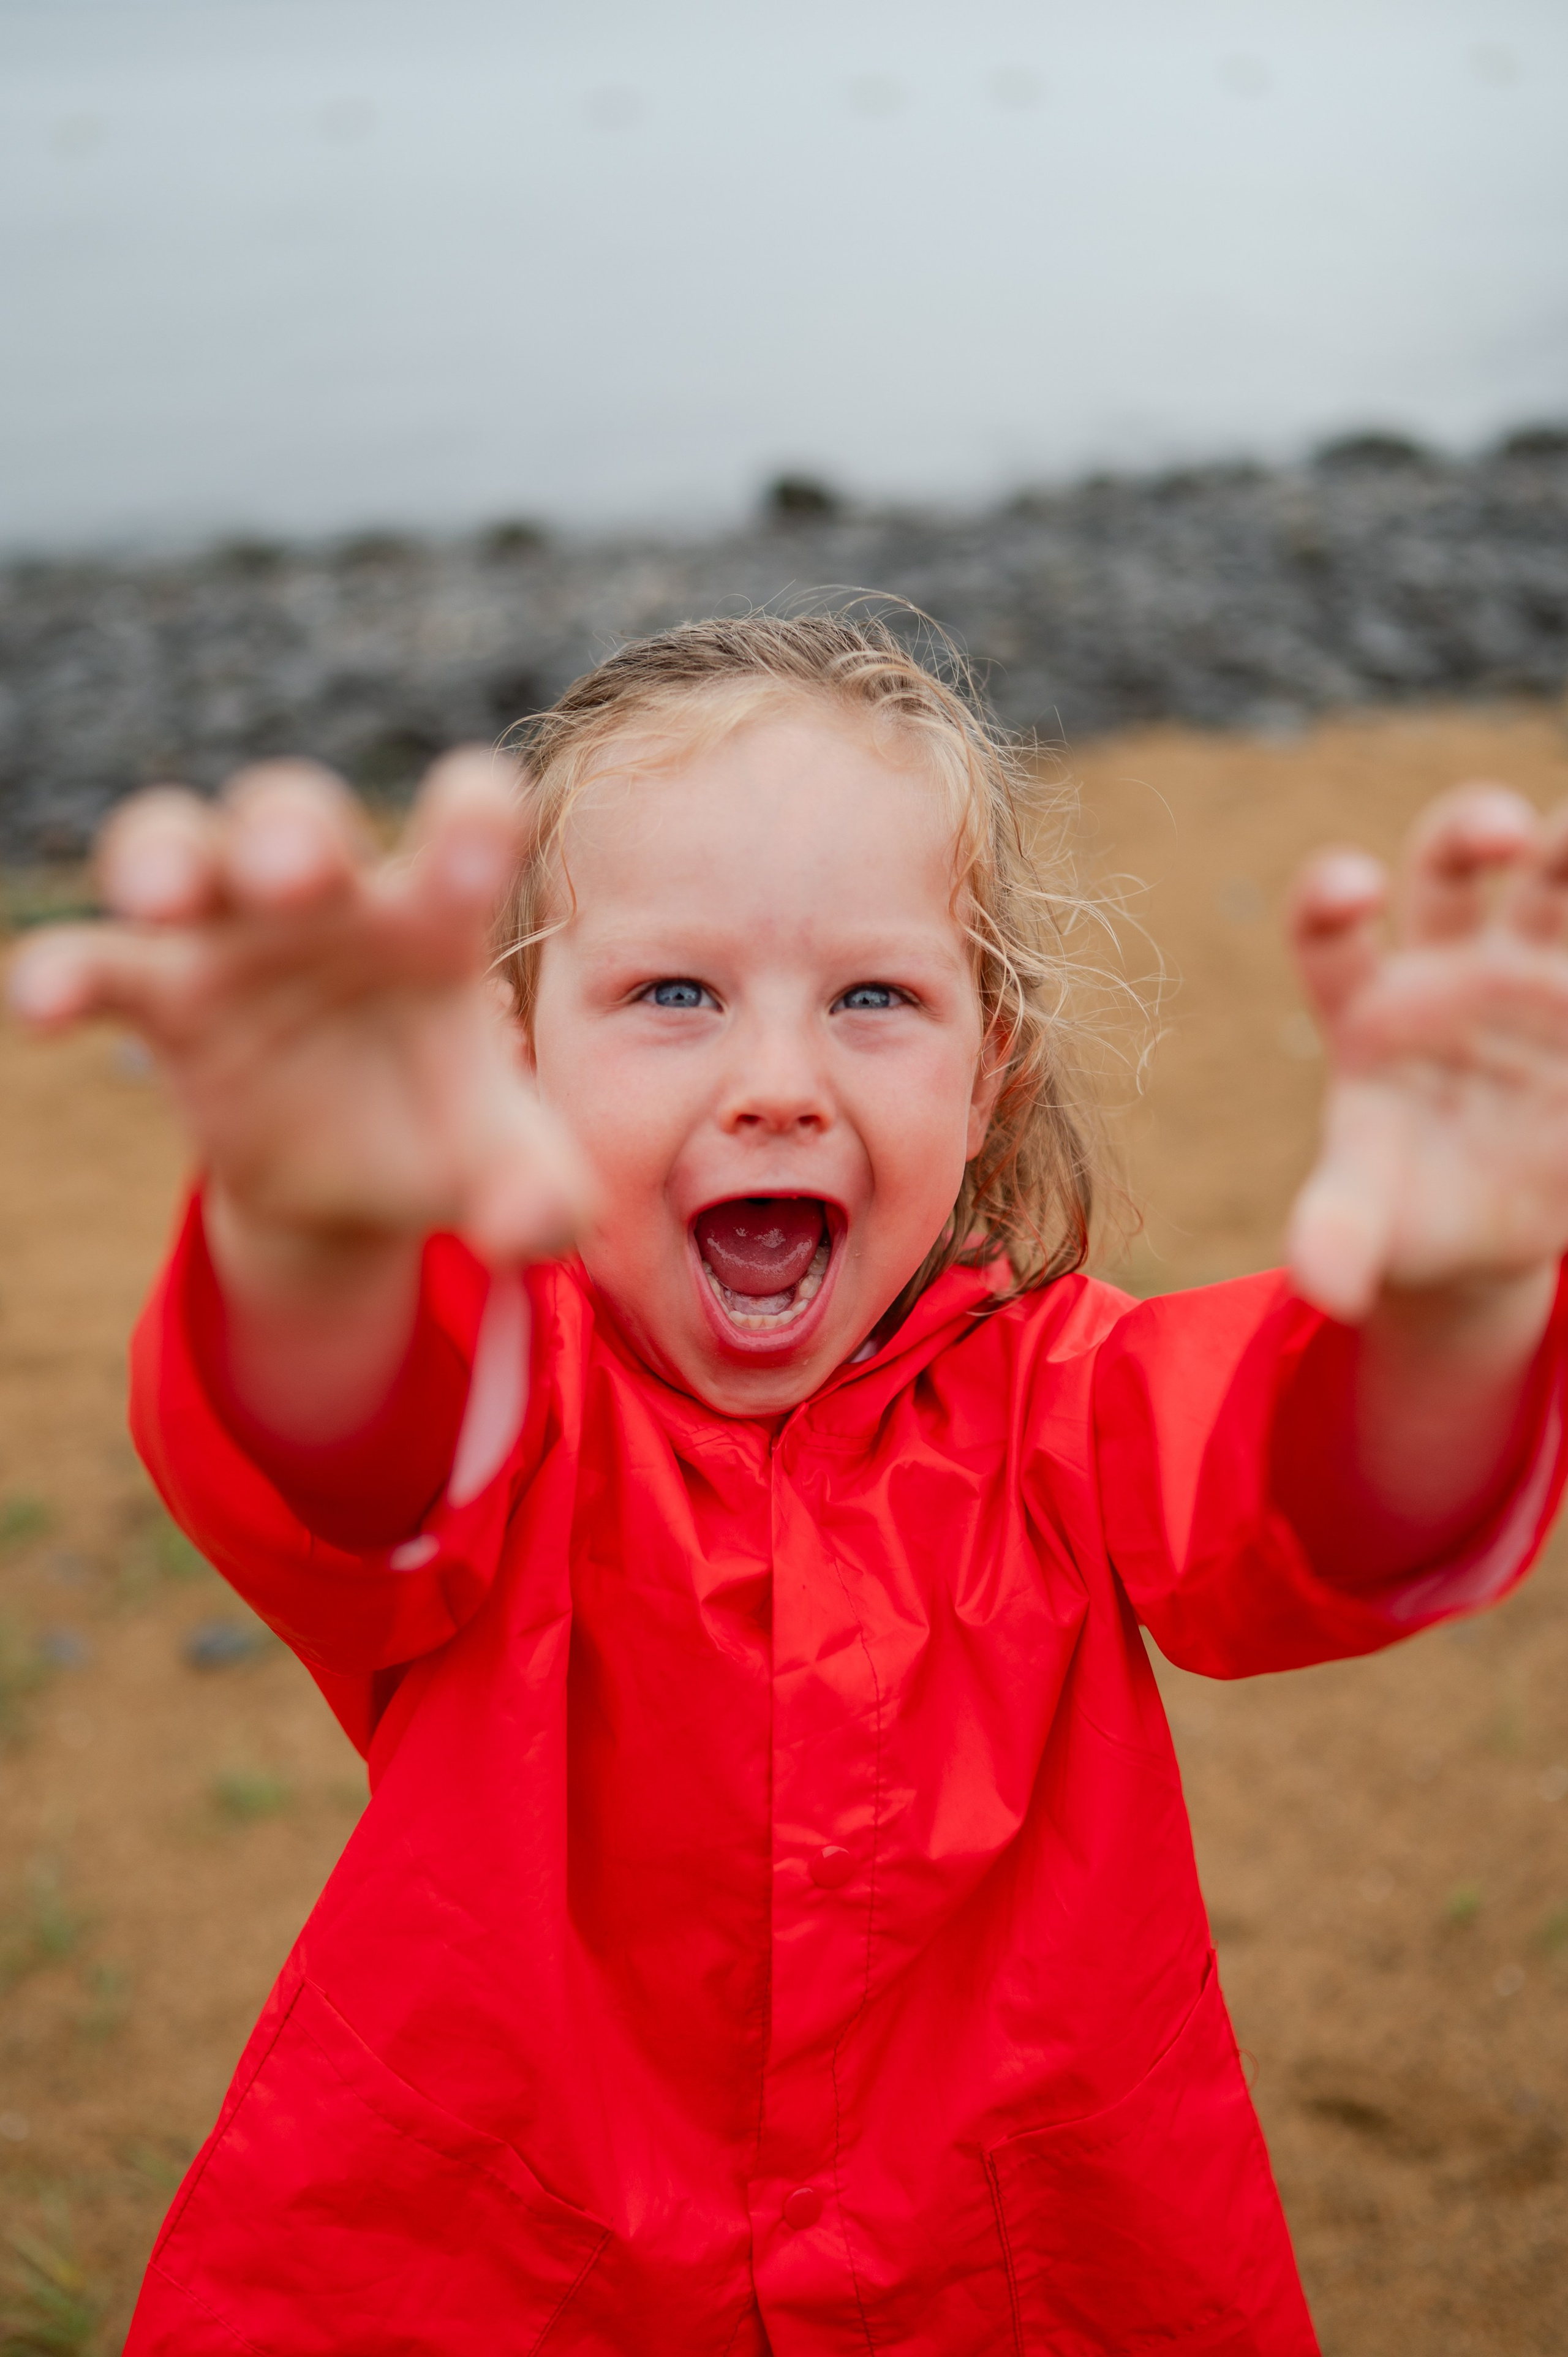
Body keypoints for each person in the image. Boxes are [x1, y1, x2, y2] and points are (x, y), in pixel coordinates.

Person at [12, 613, 1568, 2356]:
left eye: (875, 999)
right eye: (672, 993)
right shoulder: (505, 1413)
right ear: (517, 1049)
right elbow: (341, 1447)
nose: (775, 1084)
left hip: (1015, 2279)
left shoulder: (1070, 1406)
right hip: (494, 2270)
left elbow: (1336, 1500)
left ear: (992, 1079)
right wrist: (309, 1232)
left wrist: (1453, 1308)